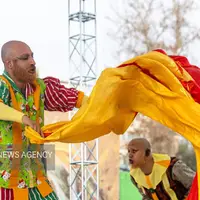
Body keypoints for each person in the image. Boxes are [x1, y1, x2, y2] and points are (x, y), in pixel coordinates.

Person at [0, 40, 88, 200]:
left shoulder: (39, 87)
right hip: (6, 185)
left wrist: (97, 103)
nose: (33, 62)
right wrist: (24, 118)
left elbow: (68, 98)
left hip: (37, 179)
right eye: (25, 58)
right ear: (10, 64)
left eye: (32, 56)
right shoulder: (2, 86)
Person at [128, 138, 195, 200]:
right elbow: (147, 197)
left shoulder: (172, 166)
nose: (130, 155)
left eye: (134, 151)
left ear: (147, 153)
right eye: (129, 151)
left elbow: (196, 184)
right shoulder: (134, 175)